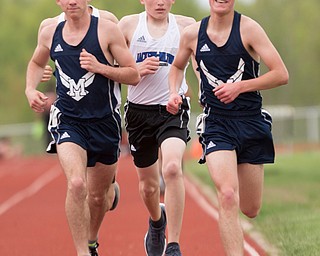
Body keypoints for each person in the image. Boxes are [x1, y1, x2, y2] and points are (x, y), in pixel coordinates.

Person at [166, 0, 289, 255]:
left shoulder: (249, 29)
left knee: (250, 208)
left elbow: (280, 74)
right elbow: (177, 66)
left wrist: (240, 86)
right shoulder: (192, 34)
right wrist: (173, 92)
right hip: (216, 123)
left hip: (250, 120)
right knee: (228, 195)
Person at [25, 1, 140, 256]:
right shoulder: (49, 31)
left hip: (104, 123)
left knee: (99, 197)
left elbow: (133, 74)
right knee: (77, 184)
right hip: (69, 120)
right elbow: (35, 63)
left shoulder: (107, 28)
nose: (72, 1)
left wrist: (100, 67)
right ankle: (82, 252)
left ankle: (91, 239)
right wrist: (30, 89)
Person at [118, 1, 196, 255]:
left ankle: (172, 245)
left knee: (172, 168)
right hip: (139, 114)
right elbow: (111, 70)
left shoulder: (186, 26)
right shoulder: (128, 25)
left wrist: (202, 90)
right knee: (149, 187)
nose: (160, 3)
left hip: (172, 110)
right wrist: (134, 71)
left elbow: (199, 64)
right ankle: (156, 222)